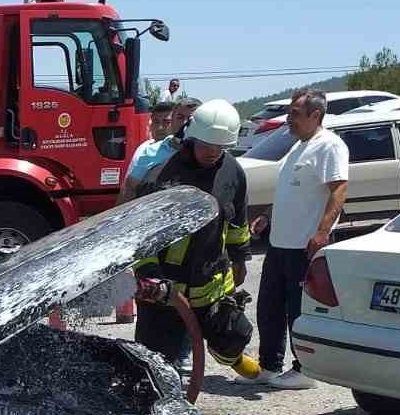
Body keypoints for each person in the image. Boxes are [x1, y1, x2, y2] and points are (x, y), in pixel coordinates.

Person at [131, 99, 259, 382]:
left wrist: (240, 258)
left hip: (210, 283)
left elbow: (237, 222)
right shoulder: (162, 177)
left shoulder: (232, 173)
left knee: (233, 334)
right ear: (191, 136)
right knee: (153, 365)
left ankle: (231, 356)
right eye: (206, 145)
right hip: (166, 291)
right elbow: (142, 236)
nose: (213, 152)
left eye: (220, 147)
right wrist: (149, 274)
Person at [250, 88, 348, 389]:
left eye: (294, 113)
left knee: (298, 308)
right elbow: (289, 191)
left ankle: (304, 370)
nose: (288, 119)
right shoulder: (297, 147)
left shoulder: (329, 146)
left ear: (315, 115)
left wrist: (322, 232)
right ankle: (268, 366)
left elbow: (338, 190)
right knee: (268, 306)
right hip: (280, 243)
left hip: (303, 245)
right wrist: (267, 214)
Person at [120, 101, 174, 199]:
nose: (160, 128)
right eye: (156, 122)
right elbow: (127, 188)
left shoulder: (179, 151)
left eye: (166, 122)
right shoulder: (143, 148)